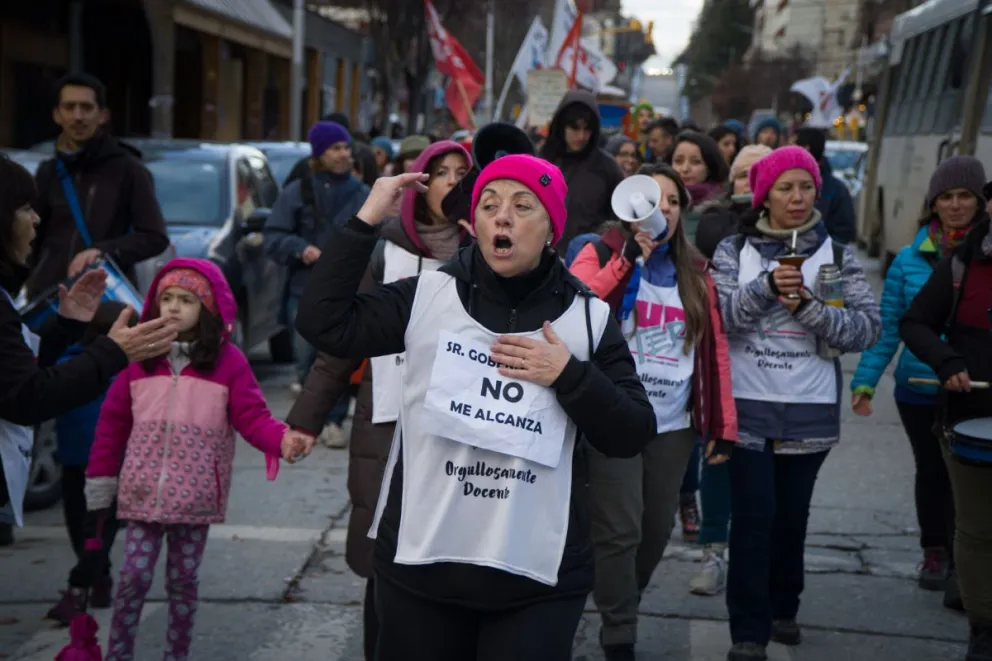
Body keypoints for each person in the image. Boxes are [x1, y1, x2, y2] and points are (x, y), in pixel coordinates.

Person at [295, 156, 656, 661]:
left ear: (552, 227)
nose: (502, 217)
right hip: (421, 571)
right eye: (489, 206)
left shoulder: (587, 320)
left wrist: (570, 376)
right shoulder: (426, 297)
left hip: (535, 585)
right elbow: (323, 323)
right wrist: (366, 219)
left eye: (522, 206)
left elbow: (633, 432)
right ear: (477, 225)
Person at [285, 139, 472, 659]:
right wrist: (305, 420)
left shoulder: (488, 253)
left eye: (463, 172)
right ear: (420, 183)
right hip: (386, 419)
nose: (452, 181)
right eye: (441, 172)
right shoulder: (387, 250)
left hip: (461, 428)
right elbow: (338, 343)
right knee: (384, 556)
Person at [83, 258, 313, 661]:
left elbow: (252, 416)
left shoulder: (228, 363)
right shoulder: (137, 360)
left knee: (183, 581)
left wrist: (281, 440)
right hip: (140, 493)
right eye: (166, 298)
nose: (173, 307)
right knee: (133, 576)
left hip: (194, 497)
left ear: (206, 310)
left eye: (186, 300)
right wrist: (101, 479)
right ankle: (118, 653)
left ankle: (177, 654)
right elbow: (111, 425)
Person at [711, 146, 881, 661]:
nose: (796, 197)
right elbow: (719, 320)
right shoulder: (733, 250)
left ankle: (785, 606)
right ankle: (748, 630)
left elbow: (865, 328)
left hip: (808, 410)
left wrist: (807, 308)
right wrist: (764, 287)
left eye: (805, 187)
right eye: (784, 188)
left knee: (790, 518)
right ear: (765, 195)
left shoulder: (836, 255)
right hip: (746, 409)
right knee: (754, 516)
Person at [569, 163, 737, 661]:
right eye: (652, 198)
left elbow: (716, 352)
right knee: (618, 530)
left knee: (654, 530)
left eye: (672, 201)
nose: (661, 209)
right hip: (613, 415)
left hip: (672, 425)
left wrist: (722, 424)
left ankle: (619, 600)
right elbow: (579, 310)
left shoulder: (698, 273)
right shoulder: (596, 250)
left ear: (682, 212)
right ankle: (620, 633)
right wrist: (625, 260)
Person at [0, 154, 180, 547]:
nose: (36, 220)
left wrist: (67, 326)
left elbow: (16, 369)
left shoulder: (128, 169)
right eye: (25, 208)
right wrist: (113, 352)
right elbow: (26, 395)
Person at [852, 155, 987, 610]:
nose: (954, 206)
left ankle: (962, 561)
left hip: (974, 390)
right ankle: (936, 552)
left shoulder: (984, 259)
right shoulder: (910, 260)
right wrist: (866, 382)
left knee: (967, 478)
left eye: (964, 196)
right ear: (932, 204)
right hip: (919, 387)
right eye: (945, 197)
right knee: (933, 473)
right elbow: (891, 325)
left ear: (980, 202)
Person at [900, 207, 992, 661]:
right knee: (976, 530)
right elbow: (915, 322)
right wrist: (948, 362)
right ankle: (983, 626)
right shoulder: (963, 263)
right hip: (970, 422)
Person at [687, 143, 771, 598]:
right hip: (723, 369)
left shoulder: (802, 236)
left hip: (777, 378)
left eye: (762, 175)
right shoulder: (716, 224)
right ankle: (712, 550)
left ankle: (758, 562)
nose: (752, 184)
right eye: (744, 176)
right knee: (716, 460)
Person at [262, 120, 370, 445]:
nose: (343, 154)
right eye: (335, 148)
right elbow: (273, 235)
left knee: (334, 355)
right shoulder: (298, 192)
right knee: (305, 354)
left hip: (345, 289)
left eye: (346, 148)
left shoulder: (363, 194)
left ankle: (333, 419)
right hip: (303, 288)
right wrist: (301, 249)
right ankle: (315, 410)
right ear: (320, 153)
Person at [27, 72, 169, 299]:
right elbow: (31, 238)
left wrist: (103, 251)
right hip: (49, 299)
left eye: (86, 107)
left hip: (104, 301)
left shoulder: (128, 169)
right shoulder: (49, 171)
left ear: (102, 115)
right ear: (57, 115)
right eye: (69, 107)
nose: (78, 116)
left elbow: (155, 238)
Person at [46, 301, 137, 625]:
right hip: (75, 461)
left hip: (110, 466)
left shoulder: (133, 371)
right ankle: (100, 578)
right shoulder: (74, 364)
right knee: (82, 528)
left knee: (95, 529)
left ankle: (78, 588)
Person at [539, 90, 625, 254]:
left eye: (587, 129)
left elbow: (621, 218)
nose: (581, 135)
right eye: (575, 127)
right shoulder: (543, 162)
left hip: (590, 260)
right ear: (561, 125)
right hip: (543, 259)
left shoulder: (606, 167)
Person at [695, 145, 772, 261]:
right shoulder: (714, 216)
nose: (750, 182)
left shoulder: (787, 216)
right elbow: (715, 247)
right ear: (732, 184)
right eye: (743, 175)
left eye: (758, 174)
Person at [794, 128, 856, 244]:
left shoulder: (835, 189)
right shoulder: (838, 188)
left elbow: (844, 231)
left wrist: (823, 250)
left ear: (805, 148)